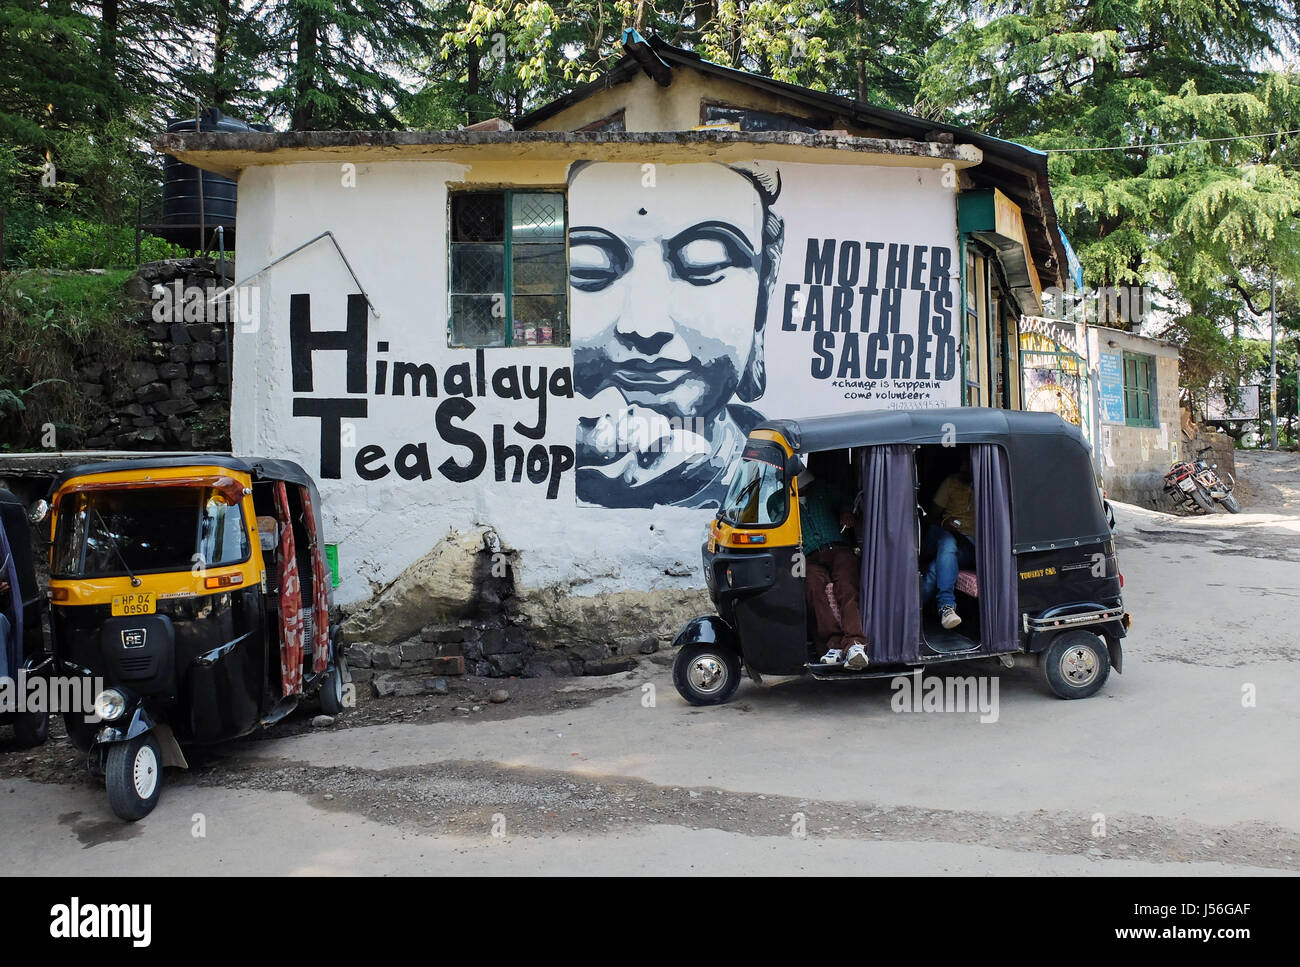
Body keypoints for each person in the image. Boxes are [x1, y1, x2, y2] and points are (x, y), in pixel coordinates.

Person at [570, 161, 785, 508]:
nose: (645, 327)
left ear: (763, 290)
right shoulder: (533, 465)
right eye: (587, 268)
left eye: (705, 262)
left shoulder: (771, 461)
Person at [798, 457, 868, 669]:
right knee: (813, 588)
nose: (807, 488)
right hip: (809, 556)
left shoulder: (822, 490)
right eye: (803, 486)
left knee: (846, 585)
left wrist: (846, 512)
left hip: (838, 548)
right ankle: (834, 645)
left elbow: (845, 500)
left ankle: (855, 643)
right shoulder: (779, 501)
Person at [921, 454, 976, 630]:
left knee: (934, 569)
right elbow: (931, 517)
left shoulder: (988, 484)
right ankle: (947, 606)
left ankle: (911, 612)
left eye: (967, 463)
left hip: (968, 545)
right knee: (947, 542)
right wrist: (947, 523)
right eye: (963, 462)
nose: (963, 467)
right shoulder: (951, 482)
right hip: (942, 533)